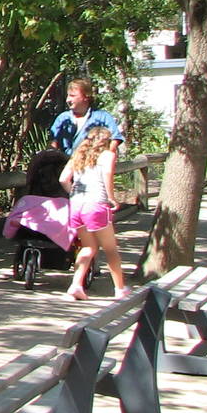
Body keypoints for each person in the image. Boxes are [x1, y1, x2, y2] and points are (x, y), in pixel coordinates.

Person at [58, 126, 126, 301]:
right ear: (107, 142)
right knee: (110, 249)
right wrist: (111, 198)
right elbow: (108, 175)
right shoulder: (108, 156)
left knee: (89, 247)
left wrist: (72, 191)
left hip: (77, 206)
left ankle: (76, 285)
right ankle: (120, 289)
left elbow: (63, 179)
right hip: (96, 205)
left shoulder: (78, 156)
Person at [48, 78, 124, 155]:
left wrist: (107, 159)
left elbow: (115, 139)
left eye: (72, 96)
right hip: (66, 164)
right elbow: (53, 143)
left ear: (86, 97)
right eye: (68, 96)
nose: (68, 100)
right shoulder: (63, 118)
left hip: (93, 164)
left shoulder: (103, 117)